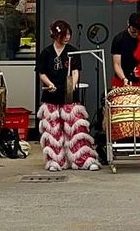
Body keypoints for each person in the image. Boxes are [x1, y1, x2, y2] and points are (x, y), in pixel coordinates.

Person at [35, 20, 101, 173]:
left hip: (69, 94)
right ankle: (55, 161)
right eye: (64, 35)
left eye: (69, 34)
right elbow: (41, 72)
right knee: (53, 131)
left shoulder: (72, 51)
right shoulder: (46, 52)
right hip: (51, 95)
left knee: (76, 129)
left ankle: (82, 159)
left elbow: (76, 71)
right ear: (55, 36)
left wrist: (72, 86)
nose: (67, 37)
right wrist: (49, 83)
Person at [110, 12, 140, 86]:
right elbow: (117, 64)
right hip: (122, 77)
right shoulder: (119, 39)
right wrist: (124, 78)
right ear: (128, 24)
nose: (137, 34)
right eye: (134, 31)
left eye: (139, 31)